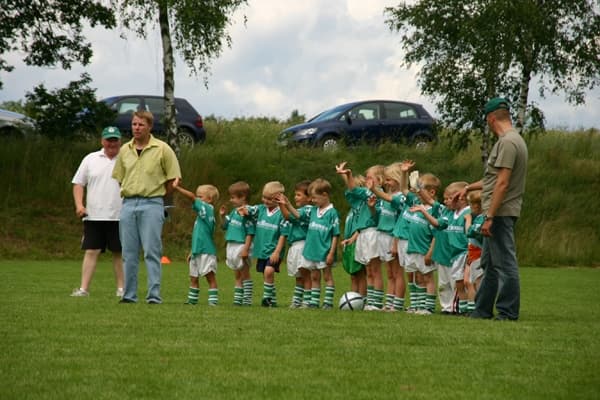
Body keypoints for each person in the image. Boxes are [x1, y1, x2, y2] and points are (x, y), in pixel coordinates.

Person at [458, 97, 528, 320]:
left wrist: (489, 216)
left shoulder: (507, 143)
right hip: (497, 211)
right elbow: (492, 179)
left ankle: (507, 312)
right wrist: (469, 187)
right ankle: (482, 309)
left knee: (505, 263)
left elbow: (502, 183)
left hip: (500, 212)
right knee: (488, 263)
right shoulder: (513, 140)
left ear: (491, 118)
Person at [112, 111, 182, 304]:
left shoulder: (162, 149)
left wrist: (158, 196)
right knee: (128, 252)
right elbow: (120, 178)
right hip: (128, 204)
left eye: (141, 125)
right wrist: (130, 193)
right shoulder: (125, 150)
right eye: (134, 124)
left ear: (150, 127)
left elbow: (173, 179)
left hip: (152, 203)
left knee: (152, 250)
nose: (137, 128)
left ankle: (153, 295)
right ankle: (129, 295)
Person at [70, 126, 124, 297]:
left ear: (120, 141)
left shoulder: (126, 159)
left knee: (119, 253)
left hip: (120, 215)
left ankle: (122, 289)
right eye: (109, 140)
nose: (112, 144)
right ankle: (84, 289)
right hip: (93, 215)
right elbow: (78, 183)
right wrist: (79, 205)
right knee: (91, 251)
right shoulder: (90, 159)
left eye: (115, 140)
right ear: (102, 141)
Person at [280, 178, 340, 309]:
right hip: (311, 250)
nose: (313, 200)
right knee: (314, 276)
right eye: (311, 198)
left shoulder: (332, 213)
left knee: (327, 276)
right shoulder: (314, 210)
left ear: (324, 195)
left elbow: (335, 234)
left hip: (324, 251)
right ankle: (314, 302)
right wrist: (288, 204)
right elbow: (298, 216)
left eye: (315, 197)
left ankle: (328, 303)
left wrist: (331, 253)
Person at [336, 162, 383, 310]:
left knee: (374, 270)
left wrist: (372, 208)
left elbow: (376, 217)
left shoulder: (381, 195)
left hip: (373, 233)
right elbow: (354, 189)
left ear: (380, 180)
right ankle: (369, 301)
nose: (367, 180)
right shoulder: (367, 193)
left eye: (370, 177)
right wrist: (347, 175)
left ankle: (376, 302)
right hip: (362, 233)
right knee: (368, 269)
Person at [238, 181, 289, 307]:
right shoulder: (260, 209)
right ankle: (272, 300)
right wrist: (244, 210)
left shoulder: (282, 214)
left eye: (269, 199)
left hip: (273, 251)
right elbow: (249, 209)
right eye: (264, 197)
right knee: (266, 275)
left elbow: (283, 234)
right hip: (261, 250)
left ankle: (266, 300)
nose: (265, 201)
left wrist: (277, 252)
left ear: (278, 199)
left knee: (268, 272)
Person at [173, 179, 220, 306]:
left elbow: (192, 198)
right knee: (193, 277)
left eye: (200, 196)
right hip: (197, 251)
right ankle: (192, 301)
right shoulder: (202, 215)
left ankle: (213, 302)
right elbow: (199, 236)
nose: (197, 199)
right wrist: (192, 251)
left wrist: (177, 188)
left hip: (206, 251)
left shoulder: (207, 209)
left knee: (210, 277)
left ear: (209, 199)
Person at [277, 180, 313, 308]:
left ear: (309, 198)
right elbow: (288, 216)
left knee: (306, 274)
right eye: (295, 194)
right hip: (295, 246)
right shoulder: (298, 210)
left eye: (298, 195)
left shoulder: (309, 210)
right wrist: (282, 204)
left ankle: (307, 301)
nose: (295, 197)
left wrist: (286, 204)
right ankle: (297, 301)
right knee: (298, 276)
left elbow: (291, 216)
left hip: (304, 244)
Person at [219, 181, 255, 306]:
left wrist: (246, 248)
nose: (231, 200)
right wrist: (223, 216)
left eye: (233, 197)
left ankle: (247, 299)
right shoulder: (234, 212)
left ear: (243, 197)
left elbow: (250, 232)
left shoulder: (247, 213)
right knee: (237, 273)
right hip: (231, 245)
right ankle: (238, 299)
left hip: (242, 245)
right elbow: (224, 226)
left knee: (245, 273)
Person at [464, 190, 485, 314]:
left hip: (479, 253)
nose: (471, 208)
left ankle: (479, 307)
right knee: (474, 281)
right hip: (473, 253)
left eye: (471, 205)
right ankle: (476, 307)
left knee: (478, 281)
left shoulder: (481, 218)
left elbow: (470, 232)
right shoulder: (480, 217)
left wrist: (468, 220)